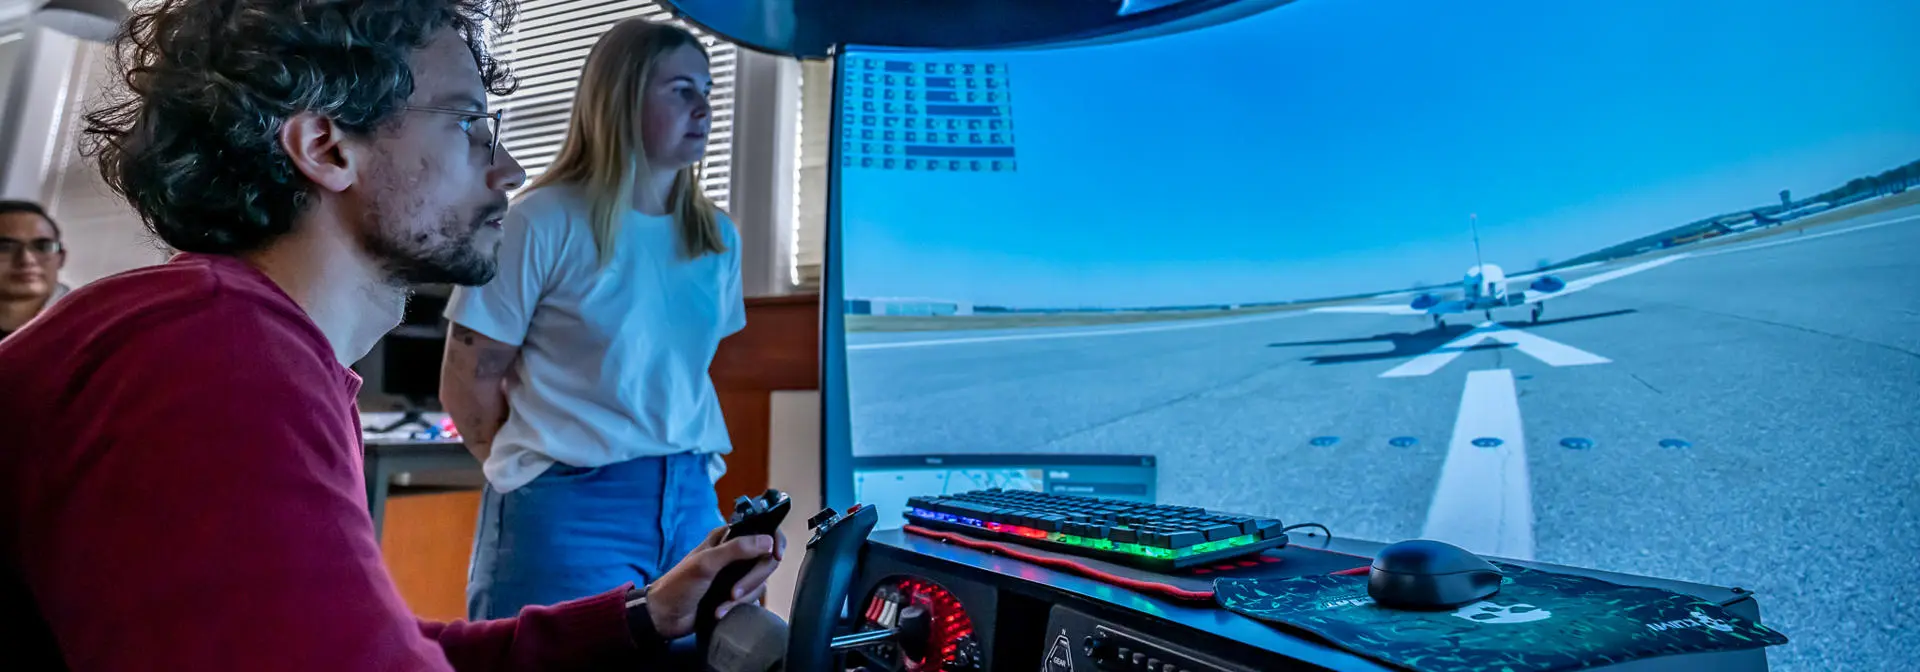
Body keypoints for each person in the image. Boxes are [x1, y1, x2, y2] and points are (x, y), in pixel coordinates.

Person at [0, 1, 781, 670]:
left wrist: (638, 618)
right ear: (327, 148)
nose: (507, 168)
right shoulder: (218, 356)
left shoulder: (248, 339)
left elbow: (378, 643)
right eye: (470, 123)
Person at [437, 19, 748, 620]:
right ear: (623, 95)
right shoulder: (540, 222)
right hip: (568, 502)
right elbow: (468, 378)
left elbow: (680, 376)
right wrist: (532, 472)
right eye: (682, 89)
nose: (704, 107)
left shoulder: (717, 238)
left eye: (707, 89)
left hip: (689, 500)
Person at [0, 200, 69, 340]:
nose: (27, 260)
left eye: (43, 246)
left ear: (61, 258)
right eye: (6, 247)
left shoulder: (85, 326)